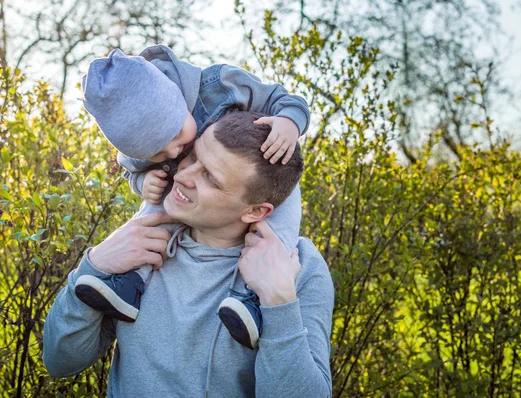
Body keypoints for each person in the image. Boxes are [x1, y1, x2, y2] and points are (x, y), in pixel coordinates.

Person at [43, 112, 334, 397]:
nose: (182, 175)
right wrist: (93, 267)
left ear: (255, 211)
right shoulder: (140, 241)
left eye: (210, 178)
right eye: (193, 156)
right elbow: (60, 362)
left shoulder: (298, 268)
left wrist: (279, 302)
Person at [74, 46, 310, 349]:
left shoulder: (220, 85)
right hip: (182, 193)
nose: (171, 153)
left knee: (280, 221)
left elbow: (283, 98)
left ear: (177, 103)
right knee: (150, 216)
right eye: (155, 153)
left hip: (260, 175)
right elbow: (133, 172)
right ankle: (129, 283)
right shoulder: (143, 143)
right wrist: (144, 180)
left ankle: (251, 297)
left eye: (173, 139)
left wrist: (290, 122)